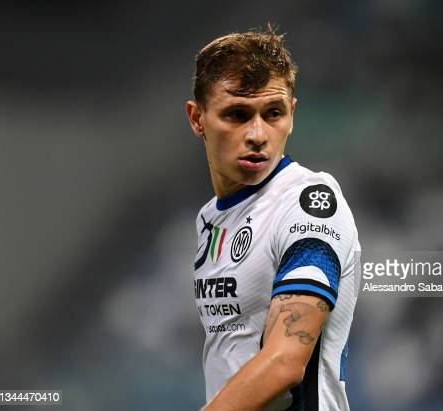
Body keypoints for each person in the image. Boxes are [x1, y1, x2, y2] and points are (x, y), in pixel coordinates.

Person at [185, 25, 361, 411]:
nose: (257, 134)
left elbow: (285, 362)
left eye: (273, 113)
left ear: (292, 114)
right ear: (197, 119)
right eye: (237, 114)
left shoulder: (309, 202)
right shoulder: (210, 220)